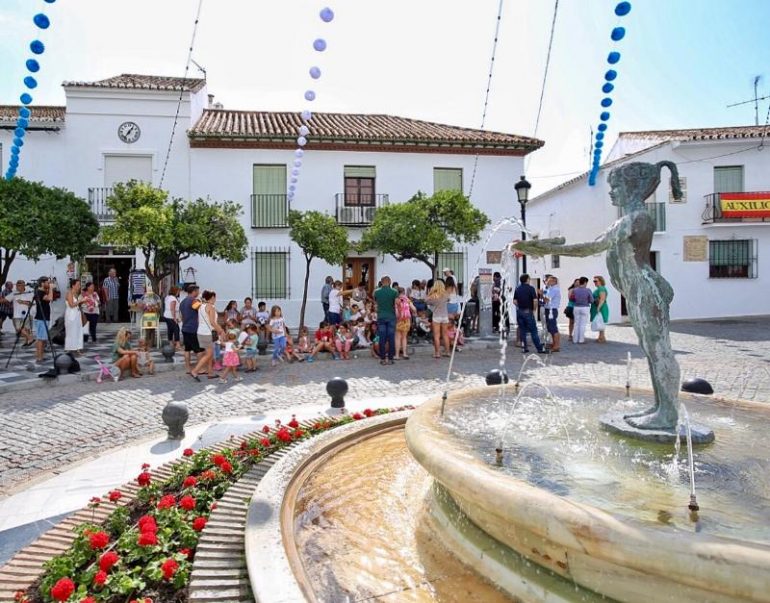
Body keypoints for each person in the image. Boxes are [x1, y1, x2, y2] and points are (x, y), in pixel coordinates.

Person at [191, 290, 224, 381]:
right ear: (212, 297)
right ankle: (195, 371)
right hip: (207, 333)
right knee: (209, 354)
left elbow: (199, 320)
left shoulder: (201, 306)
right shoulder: (211, 307)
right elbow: (213, 322)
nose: (215, 299)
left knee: (209, 353)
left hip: (201, 332)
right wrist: (220, 330)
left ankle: (210, 372)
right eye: (215, 297)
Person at [512, 274, 545, 354]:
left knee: (522, 330)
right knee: (533, 330)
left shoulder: (517, 288)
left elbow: (514, 301)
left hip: (520, 311)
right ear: (527, 279)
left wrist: (520, 307)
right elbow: (535, 300)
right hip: (528, 311)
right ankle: (539, 348)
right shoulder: (531, 288)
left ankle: (524, 348)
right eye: (529, 279)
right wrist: (534, 309)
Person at [373, 275, 398, 365]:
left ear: (381, 282)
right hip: (391, 316)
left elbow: (375, 305)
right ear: (390, 282)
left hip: (381, 316)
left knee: (382, 338)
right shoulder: (394, 292)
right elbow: (396, 305)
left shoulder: (376, 292)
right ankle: (391, 358)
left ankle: (382, 358)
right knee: (391, 338)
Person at [180, 285, 204, 374]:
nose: (198, 292)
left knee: (187, 349)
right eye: (198, 291)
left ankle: (188, 368)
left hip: (185, 327)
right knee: (199, 350)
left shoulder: (182, 302)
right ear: (194, 291)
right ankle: (200, 369)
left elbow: (182, 316)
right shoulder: (193, 301)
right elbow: (201, 309)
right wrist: (202, 302)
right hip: (193, 328)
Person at [426, 279, 451, 358]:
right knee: (445, 335)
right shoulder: (446, 294)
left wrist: (431, 292)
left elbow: (426, 301)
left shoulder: (433, 296)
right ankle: (447, 352)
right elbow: (449, 299)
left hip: (436, 316)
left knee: (436, 336)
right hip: (445, 316)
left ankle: (437, 353)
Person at [7, 280, 34, 346]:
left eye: (18, 285)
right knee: (18, 329)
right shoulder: (14, 293)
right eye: (16, 285)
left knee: (27, 329)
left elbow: (32, 303)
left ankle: (27, 341)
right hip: (17, 315)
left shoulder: (29, 293)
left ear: (23, 286)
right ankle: (30, 338)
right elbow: (5, 299)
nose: (16, 287)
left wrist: (22, 302)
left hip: (27, 314)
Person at [34, 277, 54, 363]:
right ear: (42, 283)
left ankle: (41, 357)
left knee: (43, 339)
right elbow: (50, 298)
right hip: (41, 318)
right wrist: (51, 289)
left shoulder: (41, 292)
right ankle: (39, 358)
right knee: (40, 339)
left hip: (44, 317)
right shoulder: (40, 292)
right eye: (47, 282)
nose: (49, 284)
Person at [64, 279, 85, 354]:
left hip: (77, 313)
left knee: (78, 331)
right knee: (71, 331)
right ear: (73, 285)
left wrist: (82, 301)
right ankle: (70, 347)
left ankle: (77, 348)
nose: (79, 286)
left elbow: (76, 304)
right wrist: (80, 301)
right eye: (78, 285)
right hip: (71, 314)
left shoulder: (76, 293)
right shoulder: (69, 293)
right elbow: (71, 305)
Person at [394, 287, 416, 360]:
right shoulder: (407, 299)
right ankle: (404, 353)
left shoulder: (396, 300)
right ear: (404, 292)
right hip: (406, 320)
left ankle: (397, 355)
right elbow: (414, 309)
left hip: (398, 320)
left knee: (398, 338)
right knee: (404, 337)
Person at [571, 277, 593, 344]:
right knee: (582, 324)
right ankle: (581, 340)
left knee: (576, 324)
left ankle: (575, 340)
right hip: (585, 307)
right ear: (585, 282)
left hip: (576, 307)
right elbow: (592, 300)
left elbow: (572, 299)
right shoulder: (588, 290)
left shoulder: (574, 290)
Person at [543, 275, 562, 352]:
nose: (547, 281)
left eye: (549, 280)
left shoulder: (555, 289)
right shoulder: (551, 288)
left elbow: (546, 299)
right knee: (550, 327)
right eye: (547, 280)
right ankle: (554, 343)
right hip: (549, 309)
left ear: (554, 281)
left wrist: (541, 293)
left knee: (553, 327)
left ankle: (556, 345)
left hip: (552, 310)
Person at [590, 275, 609, 343]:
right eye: (594, 281)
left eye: (596, 281)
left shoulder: (601, 288)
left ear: (600, 281)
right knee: (599, 321)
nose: (594, 282)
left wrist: (598, 307)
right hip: (598, 306)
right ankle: (601, 337)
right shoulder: (598, 289)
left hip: (601, 307)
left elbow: (602, 299)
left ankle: (602, 337)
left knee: (600, 321)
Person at [163, 286, 182, 351]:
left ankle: (171, 342)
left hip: (167, 315)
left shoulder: (168, 297)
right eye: (178, 291)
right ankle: (177, 344)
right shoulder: (173, 299)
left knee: (170, 329)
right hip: (171, 316)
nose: (179, 292)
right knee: (176, 329)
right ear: (175, 291)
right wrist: (174, 318)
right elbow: (172, 309)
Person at [565, 278, 579, 343]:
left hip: (578, 307)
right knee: (571, 322)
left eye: (579, 282)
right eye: (576, 282)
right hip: (571, 307)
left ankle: (577, 335)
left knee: (578, 322)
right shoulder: (571, 289)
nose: (577, 283)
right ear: (574, 283)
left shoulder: (581, 290)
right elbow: (569, 298)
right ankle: (570, 335)